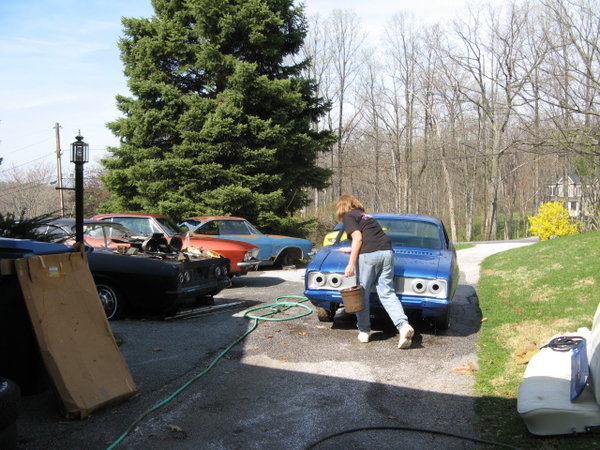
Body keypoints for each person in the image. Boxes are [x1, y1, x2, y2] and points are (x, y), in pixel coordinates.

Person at [336, 194, 414, 349]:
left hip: (369, 256)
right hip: (387, 252)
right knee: (387, 293)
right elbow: (371, 238)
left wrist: (350, 264)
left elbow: (358, 238)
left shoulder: (348, 216)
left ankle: (364, 331)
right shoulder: (367, 216)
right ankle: (403, 325)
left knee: (361, 294)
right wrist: (351, 249)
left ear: (342, 207)